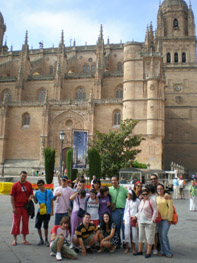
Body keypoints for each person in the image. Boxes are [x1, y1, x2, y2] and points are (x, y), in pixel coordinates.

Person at [10, 171, 33, 246]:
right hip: (17, 206)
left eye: (25, 176)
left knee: (25, 223)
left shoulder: (29, 184)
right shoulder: (15, 185)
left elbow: (31, 193)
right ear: (19, 175)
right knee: (16, 223)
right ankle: (15, 239)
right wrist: (13, 207)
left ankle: (24, 239)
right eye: (22, 176)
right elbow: (12, 197)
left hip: (26, 207)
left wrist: (30, 197)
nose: (24, 177)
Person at [136, 188, 158, 258]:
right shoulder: (142, 201)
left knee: (149, 238)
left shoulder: (151, 200)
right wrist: (137, 219)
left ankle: (148, 252)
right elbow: (139, 210)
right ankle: (140, 250)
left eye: (146, 194)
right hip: (141, 221)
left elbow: (155, 210)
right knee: (141, 237)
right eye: (143, 194)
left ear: (149, 194)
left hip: (148, 222)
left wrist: (152, 220)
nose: (145, 195)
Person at [33, 180, 54, 247]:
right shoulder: (37, 193)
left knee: (46, 226)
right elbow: (36, 202)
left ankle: (46, 239)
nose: (40, 186)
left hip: (47, 211)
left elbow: (51, 202)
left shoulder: (49, 192)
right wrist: (33, 197)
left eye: (41, 185)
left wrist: (52, 211)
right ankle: (41, 239)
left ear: (44, 185)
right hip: (40, 211)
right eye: (38, 185)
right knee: (38, 226)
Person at [109, 175, 128, 246]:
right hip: (115, 211)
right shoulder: (109, 189)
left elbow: (129, 195)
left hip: (123, 211)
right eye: (112, 180)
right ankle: (117, 242)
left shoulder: (123, 189)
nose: (113, 182)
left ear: (118, 181)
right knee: (116, 227)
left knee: (124, 227)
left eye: (114, 180)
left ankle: (124, 242)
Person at [156, 184, 173, 258]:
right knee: (160, 235)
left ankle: (168, 251)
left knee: (163, 235)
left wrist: (170, 218)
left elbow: (170, 209)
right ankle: (162, 251)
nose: (159, 190)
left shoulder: (167, 197)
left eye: (161, 189)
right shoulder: (156, 198)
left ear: (163, 189)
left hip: (166, 219)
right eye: (158, 189)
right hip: (159, 219)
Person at [123, 190, 140, 254]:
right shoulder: (127, 200)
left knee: (134, 233)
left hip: (134, 218)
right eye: (127, 195)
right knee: (126, 233)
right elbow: (126, 209)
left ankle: (133, 248)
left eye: (129, 195)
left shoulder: (137, 201)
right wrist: (124, 219)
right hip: (127, 217)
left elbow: (139, 210)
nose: (128, 196)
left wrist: (136, 216)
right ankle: (127, 248)